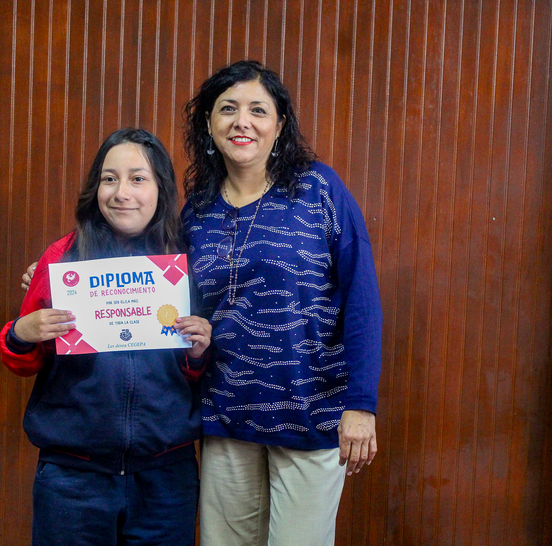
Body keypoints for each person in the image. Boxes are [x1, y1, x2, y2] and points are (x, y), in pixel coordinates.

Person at [182, 60, 382, 545]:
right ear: (209, 121)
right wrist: (57, 276)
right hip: (226, 415)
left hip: (310, 410)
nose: (242, 121)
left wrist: (361, 403)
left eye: (258, 110)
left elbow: (361, 298)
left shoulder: (319, 189)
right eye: (227, 109)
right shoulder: (197, 209)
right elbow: (160, 294)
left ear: (280, 123)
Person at [0, 128, 211, 545]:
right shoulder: (62, 258)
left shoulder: (184, 262)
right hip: (73, 476)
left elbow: (192, 372)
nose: (121, 193)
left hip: (165, 476)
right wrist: (21, 333)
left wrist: (198, 352)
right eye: (109, 179)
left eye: (138, 178)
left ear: (161, 189)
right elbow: (22, 361)